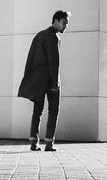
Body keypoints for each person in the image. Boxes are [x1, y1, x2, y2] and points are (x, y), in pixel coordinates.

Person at [18, 10, 70, 152]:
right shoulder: (53, 37)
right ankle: (49, 143)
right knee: (53, 111)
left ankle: (34, 142)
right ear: (56, 21)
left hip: (38, 81)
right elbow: (54, 62)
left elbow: (31, 59)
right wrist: (55, 83)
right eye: (64, 23)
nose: (66, 26)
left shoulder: (39, 35)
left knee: (37, 111)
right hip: (50, 81)